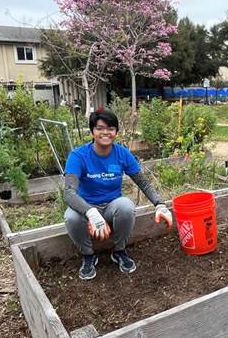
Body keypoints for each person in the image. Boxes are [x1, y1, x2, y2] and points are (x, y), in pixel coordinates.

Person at [63, 110, 173, 280]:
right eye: (100, 128)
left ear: (115, 132)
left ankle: (119, 251)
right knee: (71, 217)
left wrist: (159, 203)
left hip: (111, 206)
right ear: (92, 132)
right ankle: (88, 255)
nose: (105, 132)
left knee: (126, 206)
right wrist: (90, 212)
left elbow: (142, 182)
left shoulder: (122, 154)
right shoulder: (78, 156)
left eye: (111, 128)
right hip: (86, 207)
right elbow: (69, 192)